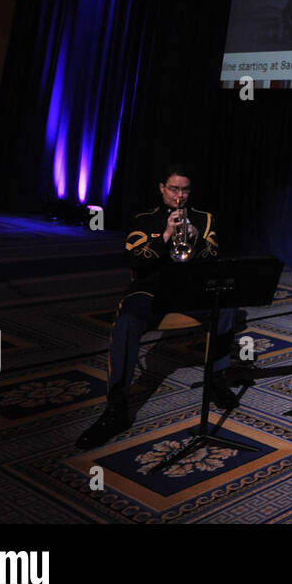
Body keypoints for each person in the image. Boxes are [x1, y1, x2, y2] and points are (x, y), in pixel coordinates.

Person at [76, 165, 237, 450]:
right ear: (162, 188)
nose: (180, 195)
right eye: (174, 189)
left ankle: (217, 380)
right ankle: (116, 407)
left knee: (225, 306)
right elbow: (134, 259)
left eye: (185, 189)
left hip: (190, 289)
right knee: (126, 321)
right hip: (150, 289)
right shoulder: (143, 219)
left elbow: (214, 256)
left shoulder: (204, 218)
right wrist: (164, 235)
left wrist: (196, 237)